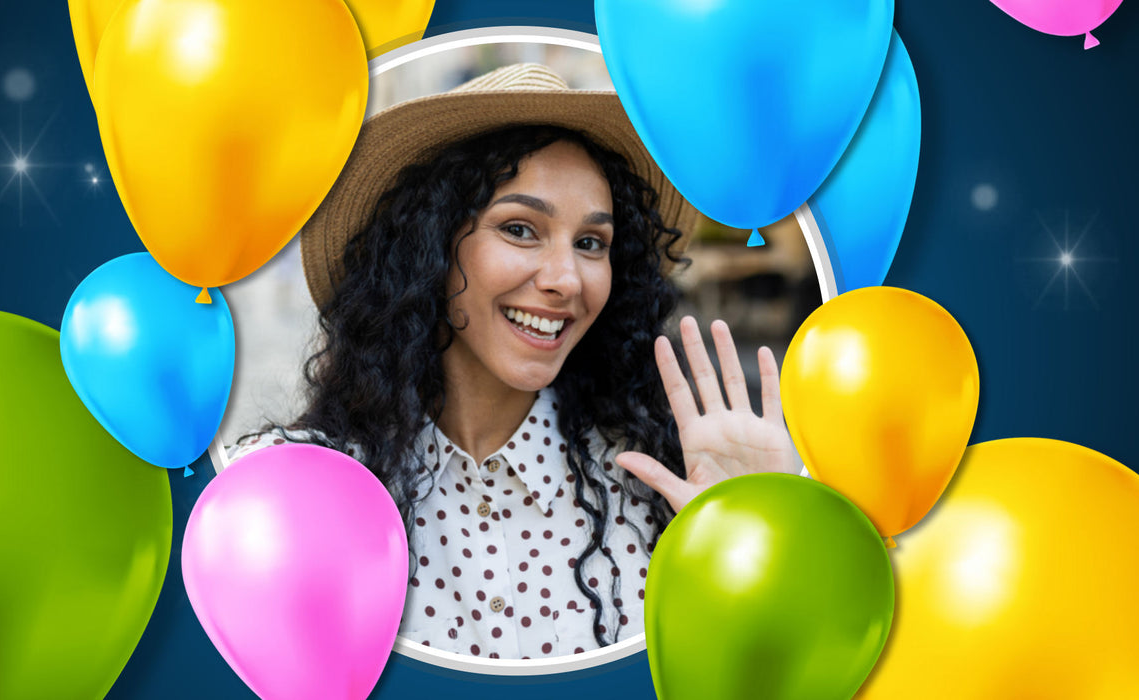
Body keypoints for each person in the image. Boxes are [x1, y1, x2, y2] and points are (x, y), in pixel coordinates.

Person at [230, 63, 802, 660]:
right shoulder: (296, 489)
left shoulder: (660, 492)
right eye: (522, 230)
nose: (565, 280)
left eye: (590, 244)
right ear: (431, 247)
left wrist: (765, 548)